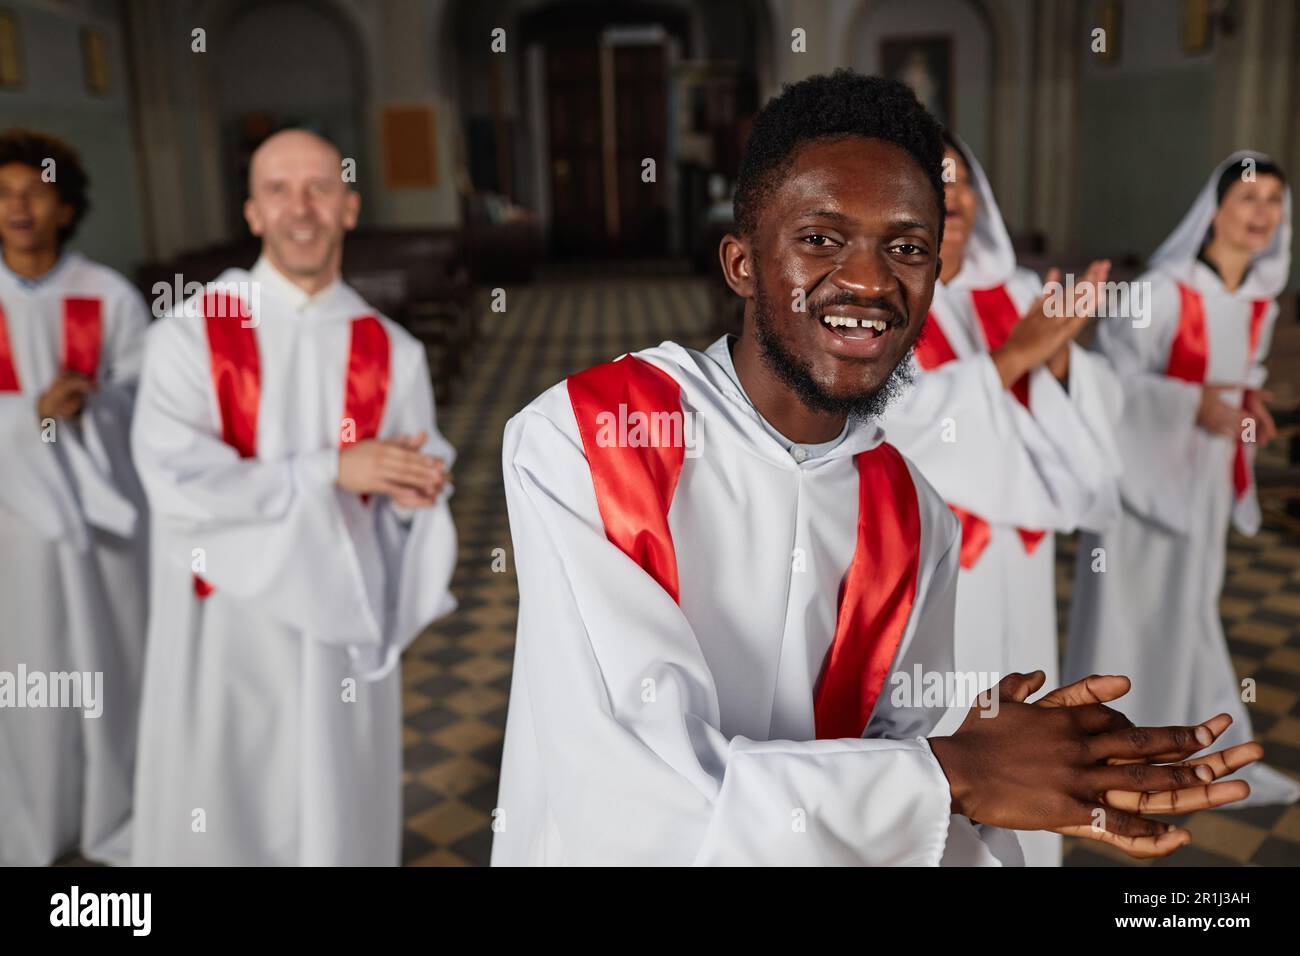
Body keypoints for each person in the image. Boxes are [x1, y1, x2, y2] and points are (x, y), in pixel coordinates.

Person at [491, 72, 1259, 866]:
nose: (868, 279)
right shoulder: (589, 440)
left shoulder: (912, 514)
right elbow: (635, 795)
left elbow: (905, 783)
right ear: (741, 263)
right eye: (821, 238)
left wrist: (1012, 780)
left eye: (907, 246)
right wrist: (959, 773)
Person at [130, 129, 458, 865]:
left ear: (349, 206)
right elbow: (175, 480)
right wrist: (328, 471)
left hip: (338, 621)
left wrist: (415, 498)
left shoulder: (390, 349)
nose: (300, 209)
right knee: (223, 804)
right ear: (251, 213)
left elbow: (407, 475)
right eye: (279, 190)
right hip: (226, 624)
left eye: (318, 189)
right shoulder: (189, 334)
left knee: (332, 805)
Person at [878, 134, 1124, 865]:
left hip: (1020, 552)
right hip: (944, 556)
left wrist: (1056, 357)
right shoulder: (883, 293)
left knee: (1030, 701)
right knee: (958, 717)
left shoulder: (1014, 290)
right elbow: (900, 422)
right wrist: (1013, 357)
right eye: (936, 183)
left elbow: (1085, 400)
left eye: (963, 186)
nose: (953, 200)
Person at [1067, 151, 1300, 807]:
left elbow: (1242, 381)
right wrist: (1188, 404)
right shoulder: (1159, 292)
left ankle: (1179, 747)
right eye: (1250, 199)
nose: (1263, 214)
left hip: (1202, 486)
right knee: (1127, 612)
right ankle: (1104, 751)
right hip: (1141, 487)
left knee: (1189, 609)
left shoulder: (1260, 301)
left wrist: (1248, 413)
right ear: (1216, 209)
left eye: (1275, 202)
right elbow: (1107, 384)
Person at [0, 129, 149, 866]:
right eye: (4, 193)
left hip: (100, 531)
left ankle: (109, 809)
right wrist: (28, 420)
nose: (18, 206)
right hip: (12, 532)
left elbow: (151, 405)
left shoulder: (107, 296)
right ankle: (32, 816)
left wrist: (96, 408)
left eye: (36, 191)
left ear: (65, 206)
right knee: (23, 677)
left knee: (106, 669)